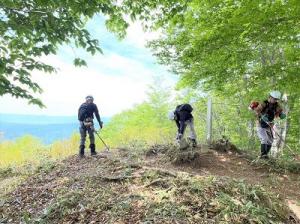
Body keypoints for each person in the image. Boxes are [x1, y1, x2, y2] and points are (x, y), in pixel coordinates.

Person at [253, 91, 286, 159]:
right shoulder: (264, 103)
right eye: (274, 98)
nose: (275, 100)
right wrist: (262, 116)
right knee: (264, 138)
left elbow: (279, 112)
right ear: (270, 97)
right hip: (260, 124)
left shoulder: (277, 105)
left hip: (269, 125)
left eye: (276, 99)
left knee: (270, 140)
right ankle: (263, 155)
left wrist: (281, 114)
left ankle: (266, 155)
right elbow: (257, 111)